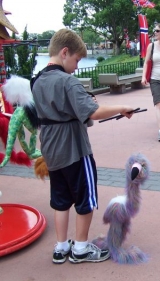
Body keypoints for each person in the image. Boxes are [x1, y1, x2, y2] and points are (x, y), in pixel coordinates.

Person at [31, 29, 135, 264]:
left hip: (51, 150)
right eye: (77, 60)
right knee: (85, 199)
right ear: (64, 52)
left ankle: (60, 248)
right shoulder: (67, 81)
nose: (77, 66)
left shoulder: (36, 81)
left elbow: (56, 111)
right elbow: (94, 112)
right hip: (75, 150)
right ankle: (80, 248)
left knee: (60, 199)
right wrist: (121, 107)